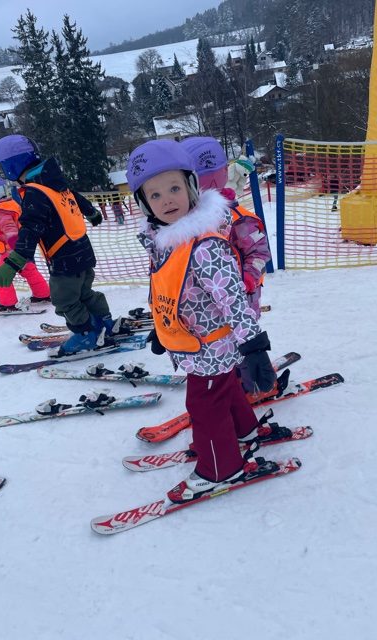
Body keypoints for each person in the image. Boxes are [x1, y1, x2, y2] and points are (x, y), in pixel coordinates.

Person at [126, 139, 283, 504]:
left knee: (204, 406)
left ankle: (220, 467)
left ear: (192, 186)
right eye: (155, 194)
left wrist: (254, 345)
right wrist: (161, 327)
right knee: (225, 389)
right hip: (198, 342)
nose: (167, 200)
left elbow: (233, 299)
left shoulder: (204, 245)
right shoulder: (166, 241)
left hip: (212, 346)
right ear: (144, 203)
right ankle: (245, 431)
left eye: (174, 188)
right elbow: (170, 287)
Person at [0, 134, 126, 355]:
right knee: (85, 293)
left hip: (64, 259)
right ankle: (104, 322)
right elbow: (75, 196)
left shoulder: (35, 192)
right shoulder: (52, 181)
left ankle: (86, 334)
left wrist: (13, 262)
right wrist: (91, 212)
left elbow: (30, 228)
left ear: (11, 166)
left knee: (64, 301)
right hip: (82, 251)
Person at [180, 136, 273, 393]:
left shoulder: (239, 218)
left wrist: (247, 280)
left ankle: (249, 383)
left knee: (240, 341)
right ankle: (228, 381)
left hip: (240, 297)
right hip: (205, 305)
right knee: (217, 342)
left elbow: (258, 253)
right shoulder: (188, 221)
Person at [0, 174, 50, 312]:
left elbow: (11, 232)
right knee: (29, 270)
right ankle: (42, 294)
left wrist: (16, 252)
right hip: (23, 248)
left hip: (12, 251)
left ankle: (7, 303)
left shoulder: (0, 211)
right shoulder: (11, 205)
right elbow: (9, 228)